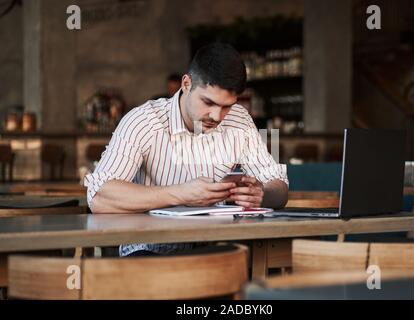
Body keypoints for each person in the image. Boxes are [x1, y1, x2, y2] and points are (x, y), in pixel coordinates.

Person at [84, 43, 288, 257]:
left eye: (227, 106)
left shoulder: (239, 119)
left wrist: (260, 195)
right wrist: (181, 194)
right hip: (150, 251)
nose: (217, 116)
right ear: (186, 84)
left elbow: (279, 187)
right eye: (208, 102)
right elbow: (99, 196)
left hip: (220, 248)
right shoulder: (143, 121)